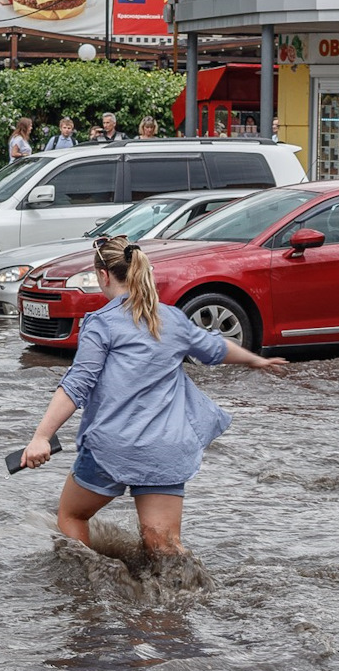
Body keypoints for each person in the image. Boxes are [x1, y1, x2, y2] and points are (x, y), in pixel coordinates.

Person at [20, 235, 285, 556]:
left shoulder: (101, 323)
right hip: (166, 448)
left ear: (103, 276)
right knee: (163, 544)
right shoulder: (170, 318)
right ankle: (182, 595)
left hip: (113, 447)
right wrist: (256, 359)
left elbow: (78, 383)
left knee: (72, 515)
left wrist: (42, 437)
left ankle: (88, 592)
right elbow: (215, 348)